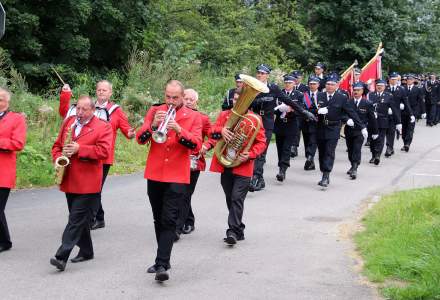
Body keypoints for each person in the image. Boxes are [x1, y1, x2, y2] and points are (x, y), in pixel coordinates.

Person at [136, 80, 202, 282]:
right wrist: (154, 124)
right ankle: (162, 260)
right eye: (168, 97)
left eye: (175, 98)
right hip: (155, 173)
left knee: (169, 219)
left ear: (183, 97)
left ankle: (162, 263)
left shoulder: (194, 116)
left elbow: (197, 145)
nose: (171, 101)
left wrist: (180, 130)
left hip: (177, 175)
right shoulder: (155, 111)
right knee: (158, 218)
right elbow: (140, 139)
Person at [59, 81, 135, 230]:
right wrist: (65, 95)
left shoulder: (116, 110)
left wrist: (131, 133)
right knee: (91, 190)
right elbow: (64, 113)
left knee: (95, 189)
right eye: (99, 90)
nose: (101, 92)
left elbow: (127, 130)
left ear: (110, 93)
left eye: (104, 90)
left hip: (103, 156)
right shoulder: (87, 108)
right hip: (82, 154)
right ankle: (96, 217)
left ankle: (91, 218)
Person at [50, 96, 112, 271]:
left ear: (93, 110)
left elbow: (104, 151)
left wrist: (80, 149)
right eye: (78, 108)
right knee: (80, 219)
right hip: (69, 178)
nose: (80, 112)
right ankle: (87, 251)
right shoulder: (69, 122)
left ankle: (61, 256)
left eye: (84, 109)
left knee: (75, 219)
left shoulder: (103, 126)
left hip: (89, 181)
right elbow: (56, 146)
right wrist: (58, 158)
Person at [249, 64, 316, 192]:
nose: (260, 75)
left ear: (268, 75)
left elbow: (288, 101)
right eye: (258, 73)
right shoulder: (251, 87)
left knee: (261, 151)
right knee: (254, 150)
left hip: (267, 123)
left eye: (263, 73)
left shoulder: (273, 88)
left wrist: (303, 112)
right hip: (254, 121)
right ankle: (261, 179)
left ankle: (256, 177)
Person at [209, 94, 266, 245]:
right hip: (225, 162)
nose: (238, 101)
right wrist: (221, 130)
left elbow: (261, 142)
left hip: (243, 166)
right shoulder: (224, 115)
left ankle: (232, 231)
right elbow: (211, 131)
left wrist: (250, 154)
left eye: (241, 99)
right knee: (230, 198)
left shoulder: (254, 119)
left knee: (236, 198)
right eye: (235, 99)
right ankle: (239, 228)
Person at [316, 74, 366, 187]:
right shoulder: (319, 95)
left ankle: (326, 175)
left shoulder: (341, 97)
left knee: (329, 151)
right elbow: (310, 108)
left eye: (332, 84)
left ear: (337, 85)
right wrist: (317, 111)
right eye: (328, 84)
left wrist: (362, 126)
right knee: (322, 152)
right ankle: (323, 170)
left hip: (333, 128)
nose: (329, 86)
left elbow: (351, 112)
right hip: (320, 127)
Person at [176, 88, 213, 238]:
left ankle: (176, 229)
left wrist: (207, 145)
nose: (189, 101)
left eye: (192, 99)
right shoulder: (175, 114)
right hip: (177, 160)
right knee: (179, 194)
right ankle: (189, 220)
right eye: (186, 98)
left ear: (197, 101)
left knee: (185, 194)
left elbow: (214, 135)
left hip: (194, 162)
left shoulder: (202, 118)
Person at [0, 88, 26, 253]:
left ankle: (5, 241)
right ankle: (5, 240)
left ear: (7, 102)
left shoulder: (16, 119)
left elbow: (18, 143)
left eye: (0, 99)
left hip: (3, 171)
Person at [343, 83, 378, 179]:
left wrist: (375, 132)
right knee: (350, 149)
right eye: (354, 90)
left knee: (356, 149)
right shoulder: (348, 102)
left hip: (360, 131)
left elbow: (372, 119)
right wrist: (346, 120)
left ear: (362, 91)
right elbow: (342, 114)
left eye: (358, 90)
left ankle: (355, 167)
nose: (356, 92)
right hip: (349, 130)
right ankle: (352, 164)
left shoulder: (367, 103)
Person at [273, 74, 303, 181]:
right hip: (280, 124)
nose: (287, 84)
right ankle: (281, 165)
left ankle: (282, 170)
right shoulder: (279, 94)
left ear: (294, 83)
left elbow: (302, 109)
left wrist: (292, 110)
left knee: (286, 148)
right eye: (286, 82)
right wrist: (280, 110)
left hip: (291, 125)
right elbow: (272, 108)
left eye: (290, 83)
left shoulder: (299, 94)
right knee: (280, 147)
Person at [368, 79, 401, 165]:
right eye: (378, 85)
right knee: (372, 139)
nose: (379, 87)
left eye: (381, 86)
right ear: (376, 86)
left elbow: (394, 109)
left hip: (383, 121)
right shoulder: (371, 95)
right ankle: (373, 155)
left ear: (384, 86)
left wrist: (398, 122)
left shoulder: (388, 95)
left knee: (380, 138)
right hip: (372, 121)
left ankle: (377, 155)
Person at [385, 72, 411, 157]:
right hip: (385, 113)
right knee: (386, 131)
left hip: (396, 114)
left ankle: (389, 147)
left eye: (395, 79)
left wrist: (411, 114)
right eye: (392, 79)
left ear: (397, 80)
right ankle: (390, 147)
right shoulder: (385, 88)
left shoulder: (401, 89)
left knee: (391, 131)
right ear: (389, 80)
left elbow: (406, 102)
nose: (393, 81)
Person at [401, 74, 425, 152]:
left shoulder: (417, 89)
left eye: (411, 79)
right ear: (406, 80)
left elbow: (421, 101)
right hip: (404, 111)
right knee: (404, 129)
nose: (409, 81)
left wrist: (423, 111)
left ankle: (408, 143)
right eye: (408, 79)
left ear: (413, 81)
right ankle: (405, 143)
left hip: (413, 111)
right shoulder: (402, 88)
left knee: (410, 128)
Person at [301, 76, 321, 171]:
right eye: (311, 84)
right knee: (306, 140)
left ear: (318, 85)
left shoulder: (321, 95)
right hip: (305, 121)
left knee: (313, 140)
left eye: (314, 84)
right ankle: (310, 161)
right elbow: (302, 108)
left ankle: (310, 156)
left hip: (316, 122)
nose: (312, 85)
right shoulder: (304, 95)